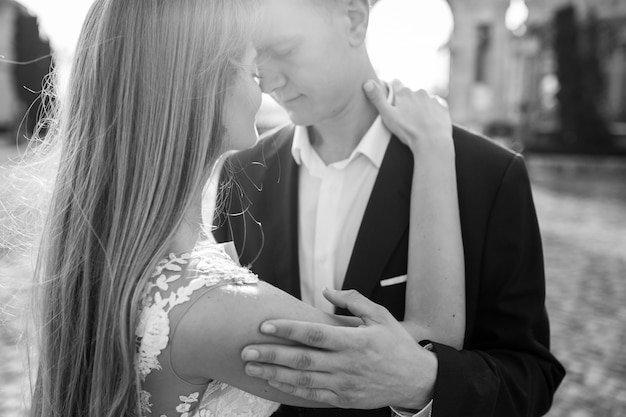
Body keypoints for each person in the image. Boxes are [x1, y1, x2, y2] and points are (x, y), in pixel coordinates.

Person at [23, 1, 465, 417]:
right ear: (198, 88)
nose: (266, 86)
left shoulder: (121, 253)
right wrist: (433, 147)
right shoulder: (216, 310)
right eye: (250, 70)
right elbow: (422, 353)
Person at [212, 0, 566, 416]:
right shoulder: (241, 172)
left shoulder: (487, 173)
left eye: (286, 49)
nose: (268, 81)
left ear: (354, 21)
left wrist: (424, 383)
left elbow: (530, 377)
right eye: (254, 59)